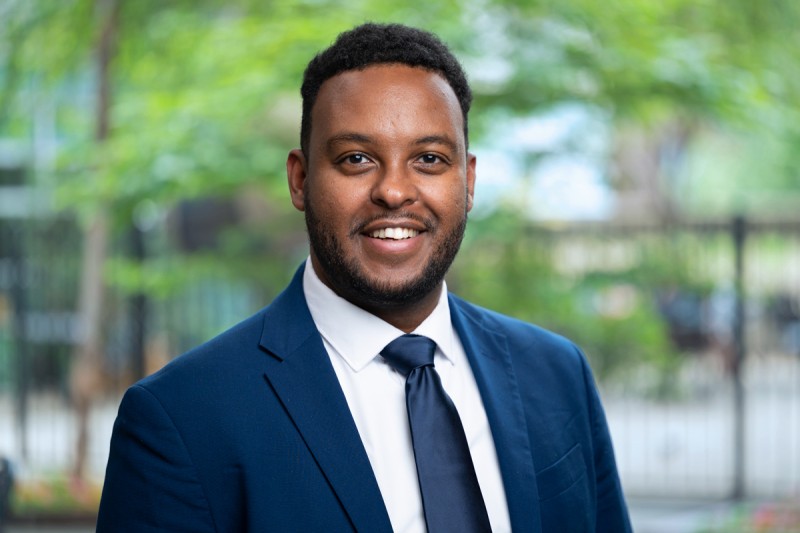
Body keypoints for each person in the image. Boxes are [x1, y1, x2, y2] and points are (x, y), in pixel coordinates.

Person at [97, 23, 631, 532]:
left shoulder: (558, 376)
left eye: (429, 158)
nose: (394, 191)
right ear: (300, 179)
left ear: (468, 182)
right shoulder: (183, 417)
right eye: (356, 158)